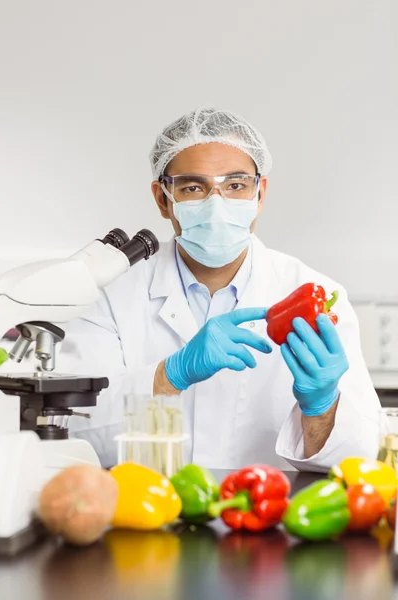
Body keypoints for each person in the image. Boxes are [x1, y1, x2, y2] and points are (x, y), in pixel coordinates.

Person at [59, 107, 381, 470]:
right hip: (144, 514)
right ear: (163, 198)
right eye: (193, 187)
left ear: (260, 193)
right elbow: (72, 433)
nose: (216, 204)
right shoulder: (110, 294)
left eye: (236, 185)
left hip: (267, 518)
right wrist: (169, 375)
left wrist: (322, 406)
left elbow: (358, 463)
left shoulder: (314, 293)